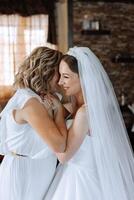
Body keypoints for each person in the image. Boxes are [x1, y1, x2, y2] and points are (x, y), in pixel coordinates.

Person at [44, 46, 134, 200]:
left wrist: (55, 114)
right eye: (60, 75)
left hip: (81, 183)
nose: (60, 81)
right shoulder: (74, 107)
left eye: (66, 76)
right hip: (69, 175)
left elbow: (63, 157)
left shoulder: (85, 113)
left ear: (83, 77)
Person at [0, 46, 68, 200]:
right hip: (26, 174)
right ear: (48, 72)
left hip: (37, 170)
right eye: (60, 73)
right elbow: (59, 145)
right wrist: (58, 110)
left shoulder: (40, 98)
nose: (62, 79)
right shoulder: (31, 103)